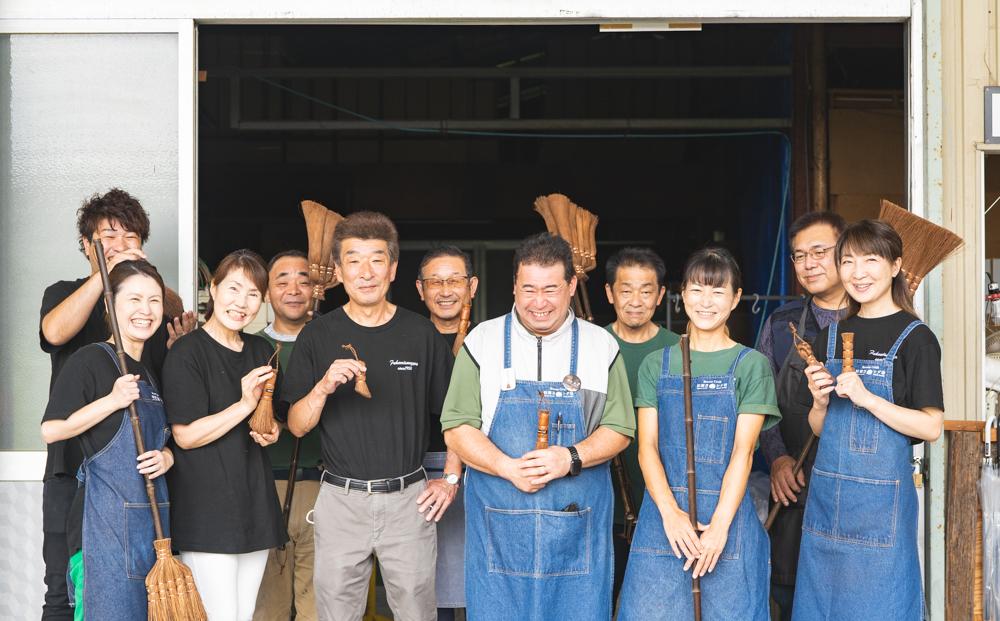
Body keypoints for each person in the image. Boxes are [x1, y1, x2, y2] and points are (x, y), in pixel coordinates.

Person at [442, 232, 634, 621]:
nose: (539, 302)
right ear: (514, 286)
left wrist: (571, 457)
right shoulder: (482, 342)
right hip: (499, 523)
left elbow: (619, 427)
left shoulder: (601, 346)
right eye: (528, 289)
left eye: (551, 289)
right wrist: (506, 467)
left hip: (576, 524)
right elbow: (457, 427)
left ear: (571, 286)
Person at [284, 211, 455, 621]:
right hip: (341, 501)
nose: (366, 272)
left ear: (393, 268)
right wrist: (323, 387)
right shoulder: (317, 336)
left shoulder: (420, 334)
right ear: (338, 270)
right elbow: (296, 425)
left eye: (377, 259)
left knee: (417, 613)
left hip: (409, 500)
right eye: (354, 260)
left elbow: (457, 417)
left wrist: (450, 479)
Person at [38, 188, 194, 620]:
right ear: (88, 245)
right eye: (109, 236)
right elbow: (54, 333)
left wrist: (140, 274)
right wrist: (106, 275)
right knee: (64, 589)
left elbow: (167, 312)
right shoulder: (66, 292)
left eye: (130, 236)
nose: (119, 244)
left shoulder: (147, 308)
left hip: (137, 488)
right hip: (72, 471)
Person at [617, 247, 779, 621]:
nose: (706, 302)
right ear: (682, 295)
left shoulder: (751, 365)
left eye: (718, 291)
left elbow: (743, 452)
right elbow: (647, 449)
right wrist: (671, 515)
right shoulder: (657, 364)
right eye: (697, 290)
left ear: (736, 298)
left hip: (729, 523)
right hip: (664, 523)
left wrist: (720, 526)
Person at [793, 220, 944, 620]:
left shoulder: (916, 338)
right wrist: (819, 401)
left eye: (870, 260)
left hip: (882, 512)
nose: (858, 273)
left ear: (895, 265)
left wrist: (868, 399)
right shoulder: (833, 334)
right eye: (848, 261)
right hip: (827, 505)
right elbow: (823, 430)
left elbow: (931, 426)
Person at [163, 249, 287, 620]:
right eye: (233, 289)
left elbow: (268, 418)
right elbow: (185, 436)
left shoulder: (263, 350)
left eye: (252, 294)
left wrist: (271, 430)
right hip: (206, 511)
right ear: (214, 290)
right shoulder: (187, 353)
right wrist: (245, 404)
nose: (242, 303)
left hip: (255, 504)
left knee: (243, 615)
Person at [755, 211, 847, 619]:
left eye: (819, 252)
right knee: (790, 594)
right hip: (797, 485)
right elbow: (759, 401)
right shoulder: (781, 324)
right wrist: (777, 458)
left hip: (855, 486)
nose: (808, 264)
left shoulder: (876, 319)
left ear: (846, 252)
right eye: (798, 256)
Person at [602, 246, 680, 601]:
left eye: (646, 290)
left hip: (664, 505)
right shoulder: (592, 346)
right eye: (626, 290)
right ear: (609, 293)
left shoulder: (680, 350)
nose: (635, 300)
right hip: (604, 503)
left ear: (661, 294)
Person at [253, 250, 320, 621]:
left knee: (318, 605)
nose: (293, 289)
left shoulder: (331, 345)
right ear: (266, 292)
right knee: (268, 607)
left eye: (304, 280)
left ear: (316, 289)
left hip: (322, 485)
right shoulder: (251, 348)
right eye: (282, 280)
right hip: (264, 487)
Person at [415, 246, 477, 620]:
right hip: (417, 472)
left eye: (454, 280)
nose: (445, 289)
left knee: (476, 586)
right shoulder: (405, 337)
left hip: (479, 470)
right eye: (435, 281)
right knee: (423, 589)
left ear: (472, 286)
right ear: (420, 290)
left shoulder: (491, 339)